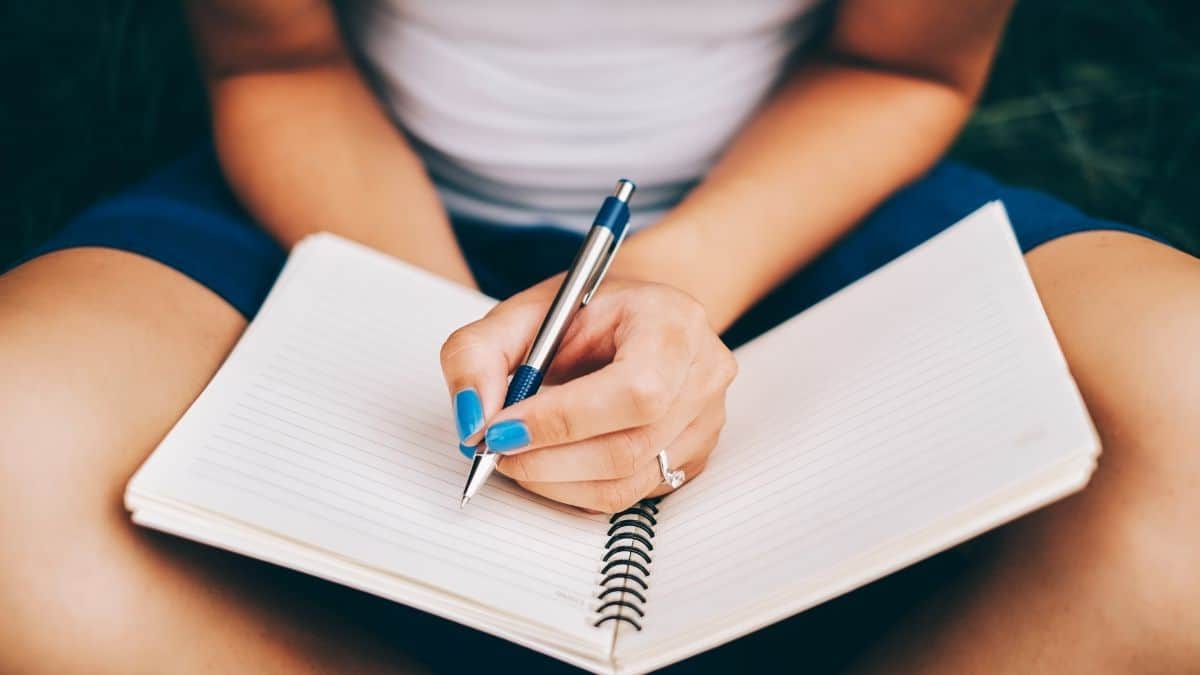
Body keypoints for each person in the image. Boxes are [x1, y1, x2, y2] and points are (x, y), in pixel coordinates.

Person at [3, 0, 1199, 672]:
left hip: (805, 200)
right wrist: (442, 323)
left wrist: (676, 282)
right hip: (336, 198)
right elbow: (279, 62)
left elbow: (900, 68)